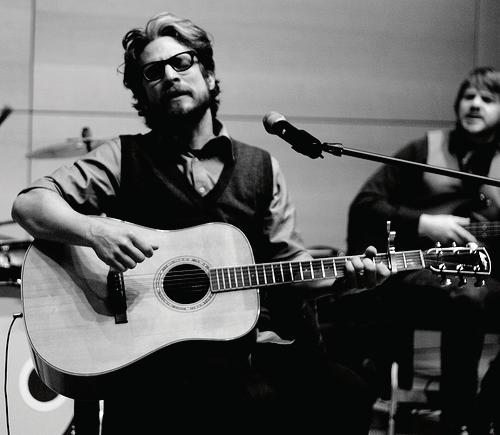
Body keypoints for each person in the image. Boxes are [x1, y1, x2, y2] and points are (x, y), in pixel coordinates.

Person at [11, 12, 390, 434]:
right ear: (142, 95)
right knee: (238, 398)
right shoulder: (122, 157)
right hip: (153, 360)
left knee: (347, 391)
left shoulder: (261, 168)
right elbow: (30, 205)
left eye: (181, 62)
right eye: (153, 72)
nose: (170, 76)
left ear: (209, 75)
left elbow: (290, 265)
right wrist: (95, 230)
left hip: (240, 352)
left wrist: (343, 280)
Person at [345, 66, 500, 434]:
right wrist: (424, 223)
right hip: (419, 272)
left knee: (474, 293)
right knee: (469, 297)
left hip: (488, 276)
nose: (475, 104)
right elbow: (365, 205)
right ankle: (457, 421)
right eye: (469, 96)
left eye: (488, 99)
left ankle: (484, 410)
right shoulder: (424, 149)